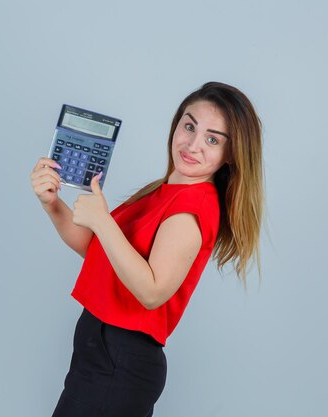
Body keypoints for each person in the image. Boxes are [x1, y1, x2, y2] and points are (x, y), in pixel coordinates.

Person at [30, 81, 265, 417]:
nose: (193, 145)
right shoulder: (163, 192)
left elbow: (153, 291)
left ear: (230, 155)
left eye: (212, 139)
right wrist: (51, 203)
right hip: (101, 354)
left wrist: (104, 222)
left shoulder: (190, 210)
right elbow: (98, 249)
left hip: (120, 362)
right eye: (189, 126)